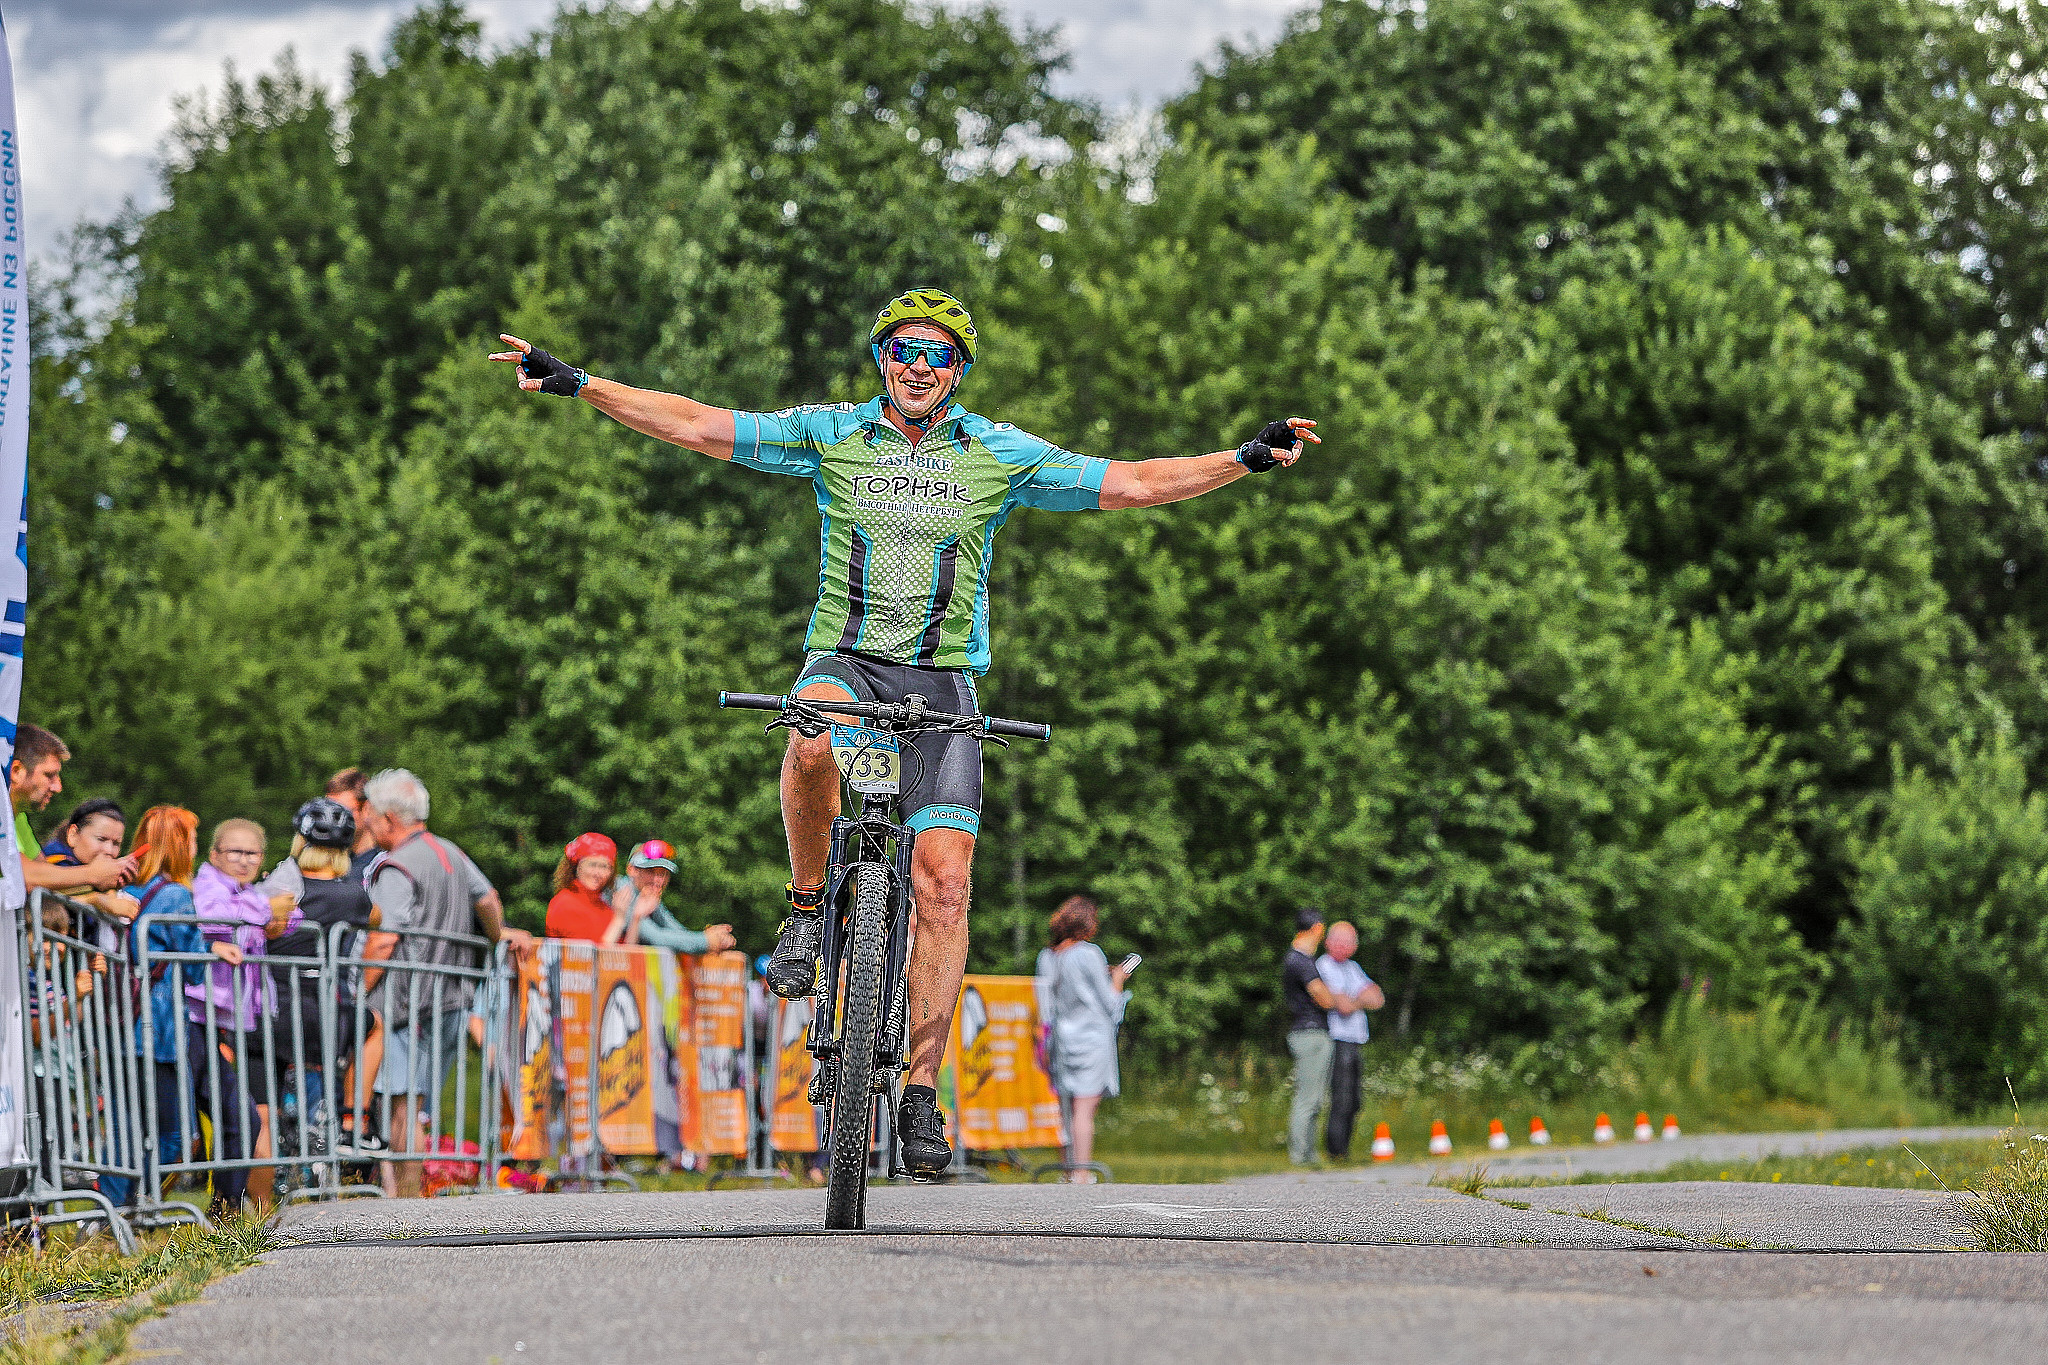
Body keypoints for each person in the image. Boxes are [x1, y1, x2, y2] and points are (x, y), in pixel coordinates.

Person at [493, 288, 1319, 1174]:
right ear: (882, 356)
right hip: (844, 656)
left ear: (958, 370)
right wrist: (581, 383)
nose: (919, 367)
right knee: (809, 730)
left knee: (947, 884)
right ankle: (808, 909)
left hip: (943, 681)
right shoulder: (831, 433)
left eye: (938, 355)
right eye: (904, 350)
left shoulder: (997, 452)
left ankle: (920, 1093)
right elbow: (698, 423)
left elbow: (1132, 482)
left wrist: (1242, 458)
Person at [358, 768, 513, 1198]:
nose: (366, 823)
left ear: (390, 818)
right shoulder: (449, 852)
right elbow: (488, 899)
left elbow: (384, 938)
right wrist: (498, 939)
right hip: (451, 998)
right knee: (416, 1104)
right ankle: (406, 1196)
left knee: (401, 1104)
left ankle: (404, 1203)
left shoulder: (398, 865)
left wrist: (358, 993)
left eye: (370, 815)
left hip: (408, 1004)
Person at [97, 806, 242, 1209]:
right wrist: (210, 950)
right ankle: (129, 1207)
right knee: (173, 1132)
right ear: (179, 845)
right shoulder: (176, 894)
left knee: (126, 1128)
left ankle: (108, 1211)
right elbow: (192, 968)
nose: (196, 848)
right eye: (193, 840)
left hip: (119, 1023)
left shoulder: (128, 891)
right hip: (158, 1031)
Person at [189, 818, 302, 1211]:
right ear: (214, 854)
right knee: (176, 1124)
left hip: (221, 1019)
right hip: (190, 1016)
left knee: (241, 1117)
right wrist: (264, 908)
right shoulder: (208, 885)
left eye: (252, 852)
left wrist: (280, 913)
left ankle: (226, 1209)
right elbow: (210, 916)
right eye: (234, 851)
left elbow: (284, 923)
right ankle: (121, 1210)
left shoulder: (246, 892)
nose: (243, 859)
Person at [265, 799, 379, 1146]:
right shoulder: (353, 896)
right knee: (374, 1026)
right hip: (324, 1008)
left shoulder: (282, 890)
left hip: (274, 1005)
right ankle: (354, 1120)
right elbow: (378, 918)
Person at [1034, 895, 1131, 1183]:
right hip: (1091, 1038)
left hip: (1061, 1038)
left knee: (1065, 1107)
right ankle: (1081, 1172)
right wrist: (1118, 979)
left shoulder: (1048, 955)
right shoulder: (1089, 954)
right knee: (1084, 1109)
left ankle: (1067, 1169)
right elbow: (1109, 1005)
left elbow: (1044, 1005)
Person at [9, 724, 132, 895]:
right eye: (49, 775)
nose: (58, 787)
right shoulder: (6, 811)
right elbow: (24, 874)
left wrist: (100, 884)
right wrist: (92, 875)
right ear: (16, 771)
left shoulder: (17, 815)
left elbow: (44, 877)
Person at [1315, 920, 1384, 1161]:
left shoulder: (1352, 967)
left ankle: (1343, 1148)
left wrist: (1353, 1000)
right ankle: (1336, 1151)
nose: (1346, 947)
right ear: (1328, 943)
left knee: (1355, 1100)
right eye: (1342, 942)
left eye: (1351, 942)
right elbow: (1342, 1006)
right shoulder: (1323, 966)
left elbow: (1377, 998)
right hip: (1338, 1039)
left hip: (1356, 1040)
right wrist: (1358, 999)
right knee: (1341, 1097)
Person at [1282, 907, 1345, 1167]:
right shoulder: (1301, 960)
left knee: (1314, 1097)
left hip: (1307, 1032)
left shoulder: (1297, 959)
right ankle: (1300, 1155)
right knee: (1308, 1098)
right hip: (1310, 1032)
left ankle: (1308, 1154)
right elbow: (1324, 998)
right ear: (1318, 928)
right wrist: (1338, 998)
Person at [610, 840, 737, 954]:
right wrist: (705, 941)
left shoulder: (648, 896)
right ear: (632, 870)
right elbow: (656, 938)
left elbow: (678, 932)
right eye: (650, 871)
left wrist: (711, 937)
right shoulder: (622, 890)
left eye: (664, 873)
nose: (658, 880)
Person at [40, 797, 142, 932]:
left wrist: (111, 889)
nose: (109, 850)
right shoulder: (52, 861)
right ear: (73, 835)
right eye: (101, 839)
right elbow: (44, 896)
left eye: (116, 843)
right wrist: (97, 900)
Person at [546, 833, 628, 942]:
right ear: (577, 866)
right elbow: (589, 957)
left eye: (604, 866)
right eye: (592, 865)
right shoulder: (564, 903)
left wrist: (636, 916)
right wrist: (618, 920)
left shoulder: (605, 907)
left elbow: (625, 953)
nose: (598, 873)